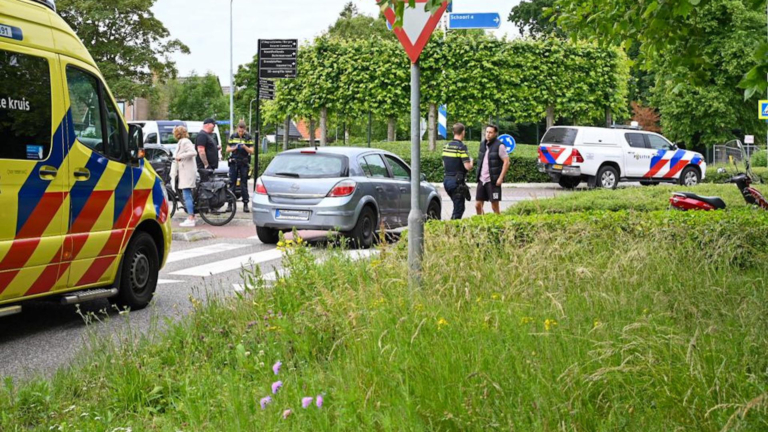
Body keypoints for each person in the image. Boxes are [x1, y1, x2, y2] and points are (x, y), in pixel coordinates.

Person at [475, 124, 510, 215]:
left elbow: (506, 162)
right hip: (482, 179)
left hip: (493, 181)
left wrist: (500, 178)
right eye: (487, 132)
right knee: (477, 205)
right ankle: (482, 223)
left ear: (495, 134)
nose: (488, 134)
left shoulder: (500, 146)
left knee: (494, 206)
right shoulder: (482, 144)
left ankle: (499, 225)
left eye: (490, 132)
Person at [442, 123, 473, 220]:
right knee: (459, 209)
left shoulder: (446, 146)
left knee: (456, 206)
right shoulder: (461, 147)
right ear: (463, 132)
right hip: (457, 182)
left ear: (453, 132)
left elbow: (444, 163)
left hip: (447, 181)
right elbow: (468, 167)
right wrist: (471, 161)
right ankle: (452, 230)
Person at [227, 120, 254, 213]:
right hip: (234, 162)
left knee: (244, 184)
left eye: (242, 131)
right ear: (237, 129)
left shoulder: (248, 137)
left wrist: (244, 147)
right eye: (239, 131)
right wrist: (235, 148)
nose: (241, 133)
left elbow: (252, 151)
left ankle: (245, 204)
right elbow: (227, 149)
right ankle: (230, 204)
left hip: (244, 162)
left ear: (245, 130)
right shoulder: (233, 136)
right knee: (232, 183)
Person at [174, 125, 198, 227]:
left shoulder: (185, 141)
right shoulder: (182, 142)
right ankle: (192, 215)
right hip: (186, 170)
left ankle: (190, 218)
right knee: (187, 194)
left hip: (187, 171)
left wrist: (180, 156)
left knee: (186, 194)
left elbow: (193, 152)